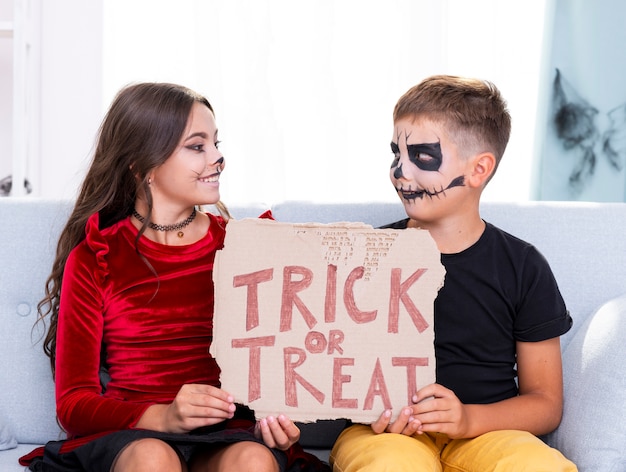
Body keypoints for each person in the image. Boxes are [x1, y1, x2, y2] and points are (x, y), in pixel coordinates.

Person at [20, 82, 327, 472]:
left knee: (252, 460)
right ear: (142, 165)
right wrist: (163, 417)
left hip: (224, 433)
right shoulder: (95, 258)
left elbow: (283, 363)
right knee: (153, 458)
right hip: (134, 434)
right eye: (197, 146)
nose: (218, 157)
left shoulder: (244, 247)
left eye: (216, 143)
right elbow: (73, 403)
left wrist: (281, 418)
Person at [329, 75, 578, 471]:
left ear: (478, 169)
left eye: (422, 157)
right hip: (387, 434)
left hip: (489, 433)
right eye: (396, 154)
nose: (400, 172)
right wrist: (360, 405)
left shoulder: (523, 266)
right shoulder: (363, 256)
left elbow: (546, 403)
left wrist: (469, 419)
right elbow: (325, 363)